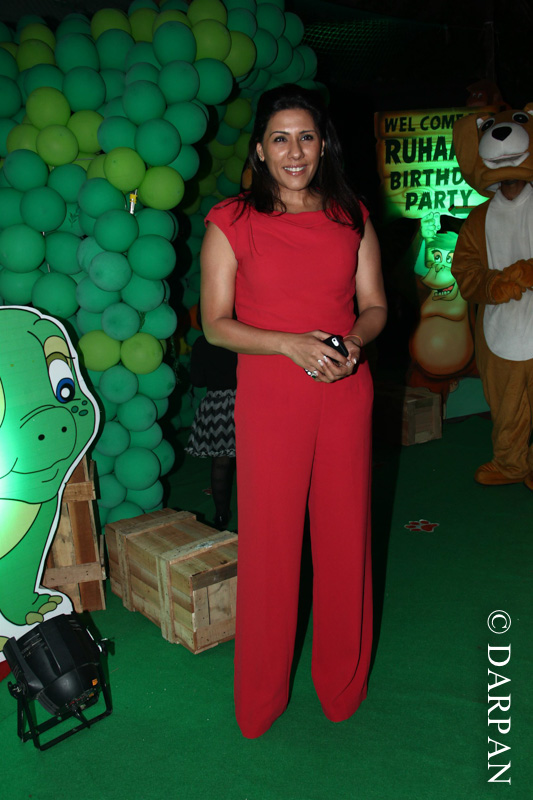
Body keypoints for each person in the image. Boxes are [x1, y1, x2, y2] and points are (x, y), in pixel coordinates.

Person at [200, 83, 387, 738]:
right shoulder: (230, 220)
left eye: (306, 136)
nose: (294, 151)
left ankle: (342, 684)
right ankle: (260, 698)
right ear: (259, 149)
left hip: (344, 392)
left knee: (345, 542)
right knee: (271, 549)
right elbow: (216, 323)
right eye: (279, 138)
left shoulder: (350, 214)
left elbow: (374, 305)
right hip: (272, 399)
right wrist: (288, 343)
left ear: (323, 144)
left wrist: (353, 342)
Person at [185, 319, 237, 530]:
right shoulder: (242, 335)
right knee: (254, 461)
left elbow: (197, 380)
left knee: (221, 462)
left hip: (218, 406)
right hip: (245, 399)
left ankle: (221, 515)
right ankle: (259, 512)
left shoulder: (202, 342)